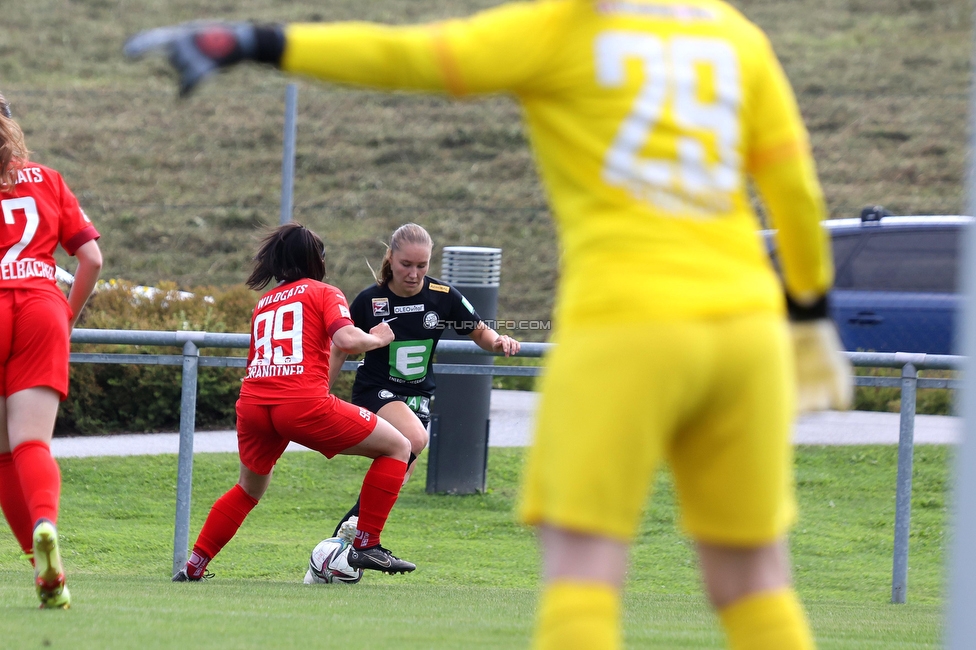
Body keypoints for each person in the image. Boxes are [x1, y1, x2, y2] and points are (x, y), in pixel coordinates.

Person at [125, 4, 853, 647]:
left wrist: (255, 40)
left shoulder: (565, 25)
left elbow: (408, 55)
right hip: (747, 328)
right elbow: (795, 194)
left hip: (627, 323)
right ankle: (356, 542)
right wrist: (812, 318)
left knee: (585, 576)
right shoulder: (737, 37)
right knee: (756, 581)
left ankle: (302, 548)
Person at [172, 223, 416, 582]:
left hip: (254, 405)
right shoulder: (323, 291)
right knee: (399, 446)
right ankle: (366, 545)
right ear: (314, 259)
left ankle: (193, 566)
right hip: (300, 403)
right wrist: (376, 338)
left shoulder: (264, 303)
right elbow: (347, 340)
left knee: (247, 489)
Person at [328, 223, 520, 536]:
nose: (414, 273)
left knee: (394, 480)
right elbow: (339, 348)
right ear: (390, 258)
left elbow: (480, 332)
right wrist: (320, 393)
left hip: (418, 399)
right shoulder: (369, 301)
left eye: (422, 265)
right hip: (377, 391)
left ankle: (343, 544)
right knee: (414, 440)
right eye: (406, 264)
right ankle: (353, 538)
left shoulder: (443, 297)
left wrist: (498, 341)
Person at [0, 89, 103, 609]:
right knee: (30, 445)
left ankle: (45, 574)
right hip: (42, 305)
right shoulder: (47, 178)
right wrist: (64, 314)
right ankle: (46, 532)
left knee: (1, 456)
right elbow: (91, 258)